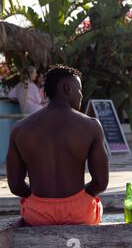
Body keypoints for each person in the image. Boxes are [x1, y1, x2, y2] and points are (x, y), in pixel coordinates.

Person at [6, 64, 109, 226]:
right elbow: (101, 183)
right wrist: (77, 198)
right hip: (79, 213)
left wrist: (39, 199)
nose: (81, 95)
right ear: (67, 88)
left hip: (38, 214)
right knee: (98, 208)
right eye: (79, 89)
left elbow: (15, 186)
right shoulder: (91, 126)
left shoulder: (20, 128)